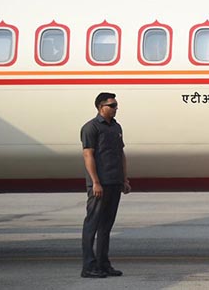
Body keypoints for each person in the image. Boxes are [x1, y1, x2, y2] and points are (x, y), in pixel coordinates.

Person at [80, 92, 131, 278]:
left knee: (106, 226)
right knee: (92, 225)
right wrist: (95, 182)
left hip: (114, 182)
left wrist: (124, 179)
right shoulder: (91, 128)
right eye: (112, 105)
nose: (116, 108)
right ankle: (89, 267)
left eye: (116, 105)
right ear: (101, 107)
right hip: (99, 185)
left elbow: (121, 153)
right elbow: (88, 155)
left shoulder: (116, 127)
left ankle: (103, 264)